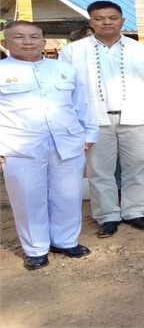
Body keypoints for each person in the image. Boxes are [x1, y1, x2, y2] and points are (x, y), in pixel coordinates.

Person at [59, 1, 144, 238]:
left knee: (137, 167)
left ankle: (135, 212)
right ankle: (107, 216)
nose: (106, 22)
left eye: (112, 17)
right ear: (91, 22)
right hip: (92, 121)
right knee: (99, 171)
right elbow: (64, 89)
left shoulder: (141, 50)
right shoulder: (73, 51)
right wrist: (72, 123)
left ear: (122, 20)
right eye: (100, 18)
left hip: (136, 117)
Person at [0, 21, 98, 270]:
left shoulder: (64, 69)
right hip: (20, 145)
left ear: (44, 42)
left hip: (67, 141)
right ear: (5, 43)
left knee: (67, 194)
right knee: (28, 198)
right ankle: (36, 248)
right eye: (19, 37)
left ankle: (65, 240)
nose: (28, 41)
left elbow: (82, 104)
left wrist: (89, 134)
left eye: (34, 36)